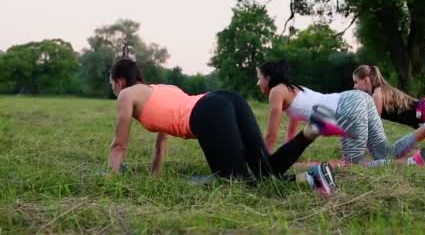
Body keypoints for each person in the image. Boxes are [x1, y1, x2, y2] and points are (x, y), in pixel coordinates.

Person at [106, 58, 346, 195]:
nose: (114, 89)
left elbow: (119, 145)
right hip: (227, 98)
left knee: (238, 182)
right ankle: (312, 134)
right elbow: (162, 138)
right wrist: (154, 175)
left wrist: (111, 180)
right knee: (264, 168)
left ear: (119, 81)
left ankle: (309, 174)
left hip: (208, 113)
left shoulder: (126, 95)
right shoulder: (160, 88)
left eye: (112, 83)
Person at [257, 60, 425, 167]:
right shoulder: (293, 89)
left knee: (353, 166)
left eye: (259, 77)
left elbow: (271, 135)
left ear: (268, 78)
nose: (258, 83)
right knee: (385, 153)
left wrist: (262, 164)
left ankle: (412, 162)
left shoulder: (276, 92)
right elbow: (292, 131)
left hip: (347, 106)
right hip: (360, 99)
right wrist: (289, 154)